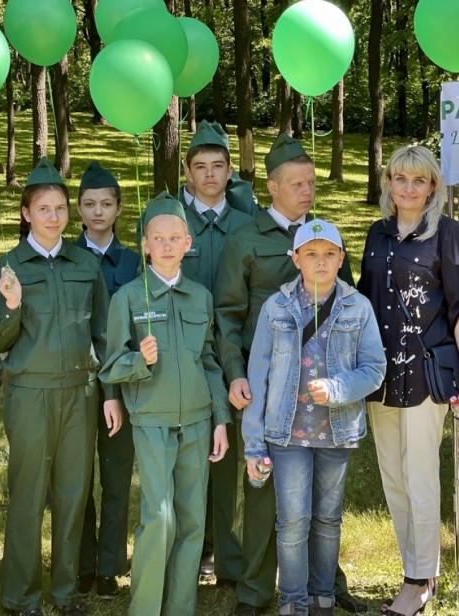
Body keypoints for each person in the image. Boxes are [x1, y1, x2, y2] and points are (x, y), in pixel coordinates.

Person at [215, 134, 364, 616]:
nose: (307, 191)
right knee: (264, 489)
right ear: (273, 187)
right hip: (269, 387)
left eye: (311, 183)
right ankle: (256, 589)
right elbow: (228, 314)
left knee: (324, 500)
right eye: (297, 184)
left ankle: (327, 583)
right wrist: (237, 374)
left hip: (324, 389)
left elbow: (349, 303)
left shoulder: (327, 237)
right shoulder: (245, 238)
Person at [0, 157, 124, 616]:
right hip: (30, 394)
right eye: (43, 209)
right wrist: (12, 306)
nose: (53, 216)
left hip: (79, 394)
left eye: (60, 208)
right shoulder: (9, 266)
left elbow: (103, 335)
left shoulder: (84, 263)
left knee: (72, 494)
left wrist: (110, 393)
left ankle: (65, 594)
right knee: (27, 495)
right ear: (26, 213)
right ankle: (21, 597)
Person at [357, 145, 459, 616]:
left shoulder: (446, 233)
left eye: (418, 180)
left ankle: (419, 582)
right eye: (399, 178)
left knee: (421, 477)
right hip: (380, 376)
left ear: (432, 187)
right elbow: (362, 307)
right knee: (394, 480)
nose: (408, 188)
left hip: (426, 373)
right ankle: (415, 569)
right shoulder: (376, 233)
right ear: (389, 183)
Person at [243, 219, 386, 616]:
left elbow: (375, 368)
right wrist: (253, 442)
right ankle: (292, 601)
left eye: (328, 254)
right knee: (291, 522)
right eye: (311, 253)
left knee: (327, 519)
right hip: (285, 433)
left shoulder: (358, 307)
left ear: (341, 258)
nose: (320, 261)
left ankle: (322, 597)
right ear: (296, 259)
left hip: (335, 433)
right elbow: (259, 375)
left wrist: (338, 388)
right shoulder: (277, 307)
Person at [99, 192, 230, 616]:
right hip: (151, 420)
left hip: (196, 420)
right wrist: (140, 360)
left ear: (188, 243)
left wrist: (221, 420)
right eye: (159, 238)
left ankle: (180, 607)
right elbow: (110, 366)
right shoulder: (130, 298)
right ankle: (145, 609)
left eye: (176, 237)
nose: (168, 245)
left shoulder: (200, 297)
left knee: (192, 521)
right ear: (146, 245)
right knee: (159, 517)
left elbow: (209, 361)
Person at [178, 120, 256, 582]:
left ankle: (227, 555)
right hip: (181, 356)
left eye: (218, 166)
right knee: (187, 455)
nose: (209, 175)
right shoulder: (168, 221)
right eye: (200, 167)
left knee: (227, 457)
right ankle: (189, 550)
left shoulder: (247, 225)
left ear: (230, 172)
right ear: (187, 171)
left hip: (232, 354)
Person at [74, 161, 140, 600]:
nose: (98, 212)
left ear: (118, 210)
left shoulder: (135, 261)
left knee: (116, 477)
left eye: (106, 204)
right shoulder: (65, 257)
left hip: (123, 383)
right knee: (77, 477)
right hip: (76, 384)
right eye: (89, 204)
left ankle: (110, 568)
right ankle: (81, 564)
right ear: (78, 209)